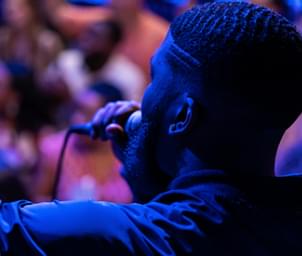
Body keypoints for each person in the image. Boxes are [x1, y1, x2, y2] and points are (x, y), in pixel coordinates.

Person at [1, 2, 302, 255]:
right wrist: (154, 188)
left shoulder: (111, 233)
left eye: (154, 77)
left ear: (182, 116)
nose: (139, 99)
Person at [33, 82, 132, 203]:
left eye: (88, 114)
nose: (77, 119)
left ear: (110, 120)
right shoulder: (54, 148)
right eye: (76, 110)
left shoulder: (128, 152)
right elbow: (37, 200)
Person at [54, 20, 146, 101]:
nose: (87, 41)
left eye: (96, 37)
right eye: (88, 34)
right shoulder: (66, 61)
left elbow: (131, 111)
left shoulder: (129, 78)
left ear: (112, 45)